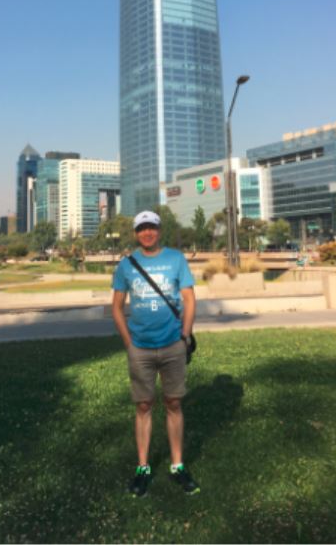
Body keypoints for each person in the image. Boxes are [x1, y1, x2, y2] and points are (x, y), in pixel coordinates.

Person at [111, 210, 200, 498]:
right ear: (136, 233)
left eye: (151, 228)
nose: (147, 233)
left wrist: (185, 335)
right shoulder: (126, 265)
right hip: (140, 348)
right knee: (143, 406)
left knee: (174, 402)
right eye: (142, 229)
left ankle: (177, 465)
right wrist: (129, 343)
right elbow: (116, 307)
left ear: (159, 231)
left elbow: (189, 299)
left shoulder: (176, 259)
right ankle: (143, 467)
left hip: (173, 344)